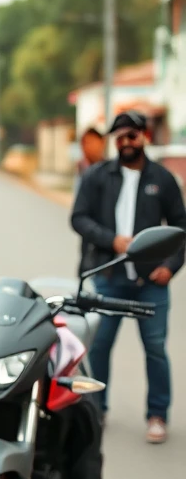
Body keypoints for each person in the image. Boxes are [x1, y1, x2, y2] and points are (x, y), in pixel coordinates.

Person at [71, 109, 186, 444]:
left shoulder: (163, 179)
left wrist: (171, 266)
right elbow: (78, 218)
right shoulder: (97, 176)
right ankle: (96, 410)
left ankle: (157, 416)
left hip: (150, 283)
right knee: (99, 348)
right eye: (119, 137)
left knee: (155, 349)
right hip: (108, 278)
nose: (125, 142)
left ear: (144, 137)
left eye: (131, 136)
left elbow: (181, 226)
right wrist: (112, 240)